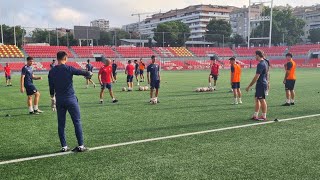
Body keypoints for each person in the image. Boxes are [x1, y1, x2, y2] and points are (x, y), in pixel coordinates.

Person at [48, 51, 92, 152]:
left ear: (57, 58)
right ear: (65, 58)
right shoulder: (68, 68)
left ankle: (64, 146)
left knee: (61, 124)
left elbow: (51, 88)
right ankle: (81, 146)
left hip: (59, 100)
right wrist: (88, 73)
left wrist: (52, 99)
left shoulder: (52, 71)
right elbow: (81, 72)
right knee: (77, 122)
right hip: (71, 99)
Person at [245, 50, 269, 121]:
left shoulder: (261, 64)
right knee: (257, 99)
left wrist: (249, 86)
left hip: (261, 84)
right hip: (261, 83)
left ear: (258, 55)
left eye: (255, 55)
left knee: (262, 99)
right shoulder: (265, 62)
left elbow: (257, 76)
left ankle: (264, 116)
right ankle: (255, 115)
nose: (254, 57)